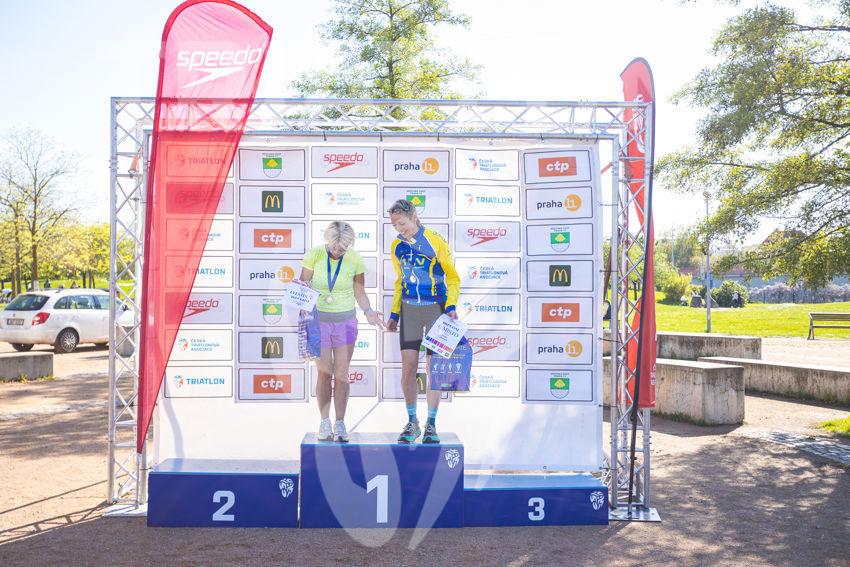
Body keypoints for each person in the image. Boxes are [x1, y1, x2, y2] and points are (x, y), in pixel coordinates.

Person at [299, 221, 383, 443]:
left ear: (350, 245)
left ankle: (340, 422)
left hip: (345, 323)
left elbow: (359, 292)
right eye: (335, 247)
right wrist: (298, 294)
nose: (338, 252)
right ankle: (324, 421)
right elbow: (302, 286)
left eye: (343, 248)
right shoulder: (314, 255)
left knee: (342, 373)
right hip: (319, 322)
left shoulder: (355, 259)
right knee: (324, 373)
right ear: (327, 241)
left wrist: (369, 311)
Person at [386, 199, 460, 444]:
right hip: (409, 310)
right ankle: (412, 422)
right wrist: (394, 313)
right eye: (395, 225)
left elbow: (453, 277)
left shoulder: (435, 240)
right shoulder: (396, 246)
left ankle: (431, 424)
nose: (400, 229)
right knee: (408, 368)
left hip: (435, 310)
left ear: (414, 217)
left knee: (433, 369)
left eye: (402, 223)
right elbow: (400, 281)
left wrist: (451, 305)